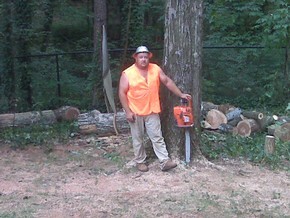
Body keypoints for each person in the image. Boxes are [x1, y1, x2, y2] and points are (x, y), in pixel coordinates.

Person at [118, 46, 191, 172]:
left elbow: (167, 81)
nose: (143, 59)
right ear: (136, 58)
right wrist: (128, 111)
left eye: (146, 57)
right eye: (141, 57)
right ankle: (140, 161)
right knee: (138, 138)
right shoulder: (127, 73)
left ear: (149, 57)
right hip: (135, 110)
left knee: (157, 136)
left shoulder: (155, 69)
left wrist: (180, 94)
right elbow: (121, 93)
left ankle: (164, 161)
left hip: (152, 109)